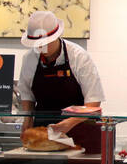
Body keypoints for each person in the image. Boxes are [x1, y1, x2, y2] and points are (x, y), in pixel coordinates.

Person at [15, 10, 105, 154]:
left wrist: (66, 124)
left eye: (44, 43)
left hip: (80, 130)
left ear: (57, 37)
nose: (41, 48)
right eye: (37, 44)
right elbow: (27, 94)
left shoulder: (78, 56)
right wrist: (27, 121)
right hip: (44, 133)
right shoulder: (30, 58)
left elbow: (93, 102)